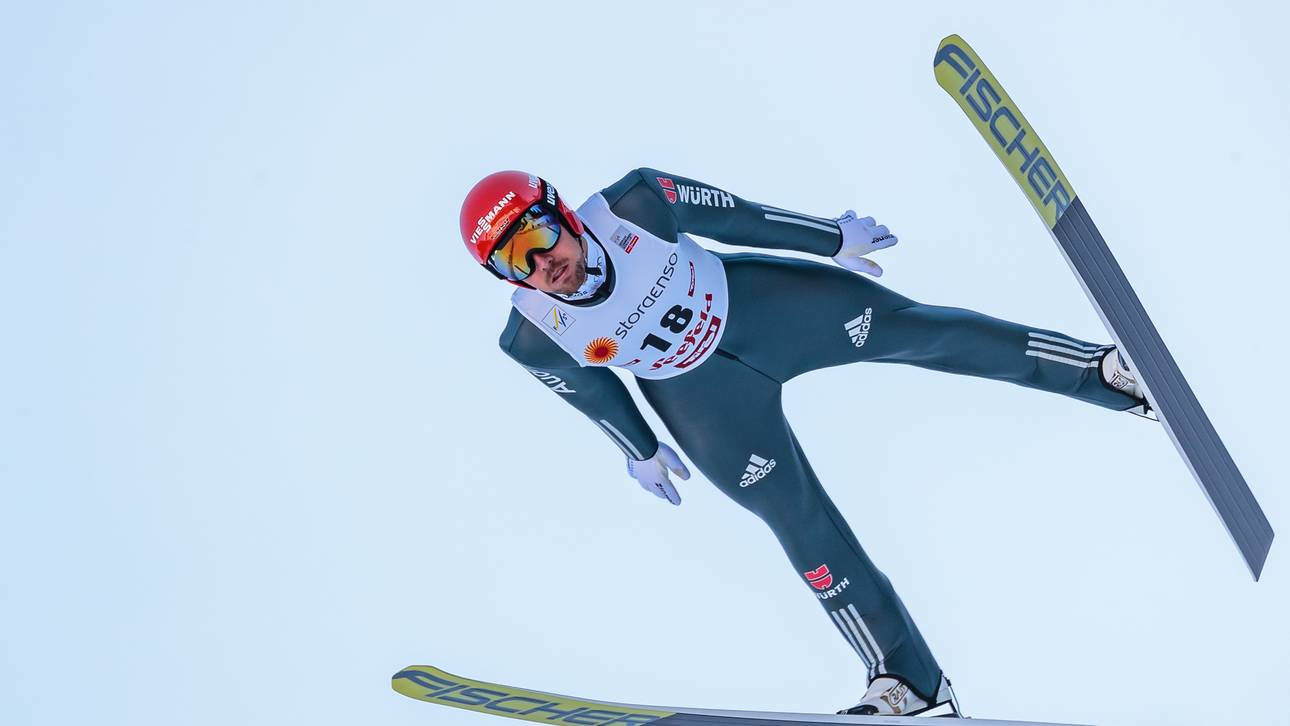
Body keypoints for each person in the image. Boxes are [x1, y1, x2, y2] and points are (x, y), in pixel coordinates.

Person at [458, 169, 1147, 717]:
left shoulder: (635, 203)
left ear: (564, 214)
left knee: (921, 331)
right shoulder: (531, 335)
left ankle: (1103, 373)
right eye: (516, 261)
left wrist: (829, 238)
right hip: (706, 406)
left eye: (540, 237)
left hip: (768, 310)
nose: (542, 264)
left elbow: (739, 215)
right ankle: (908, 682)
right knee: (799, 524)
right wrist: (637, 448)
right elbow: (593, 392)